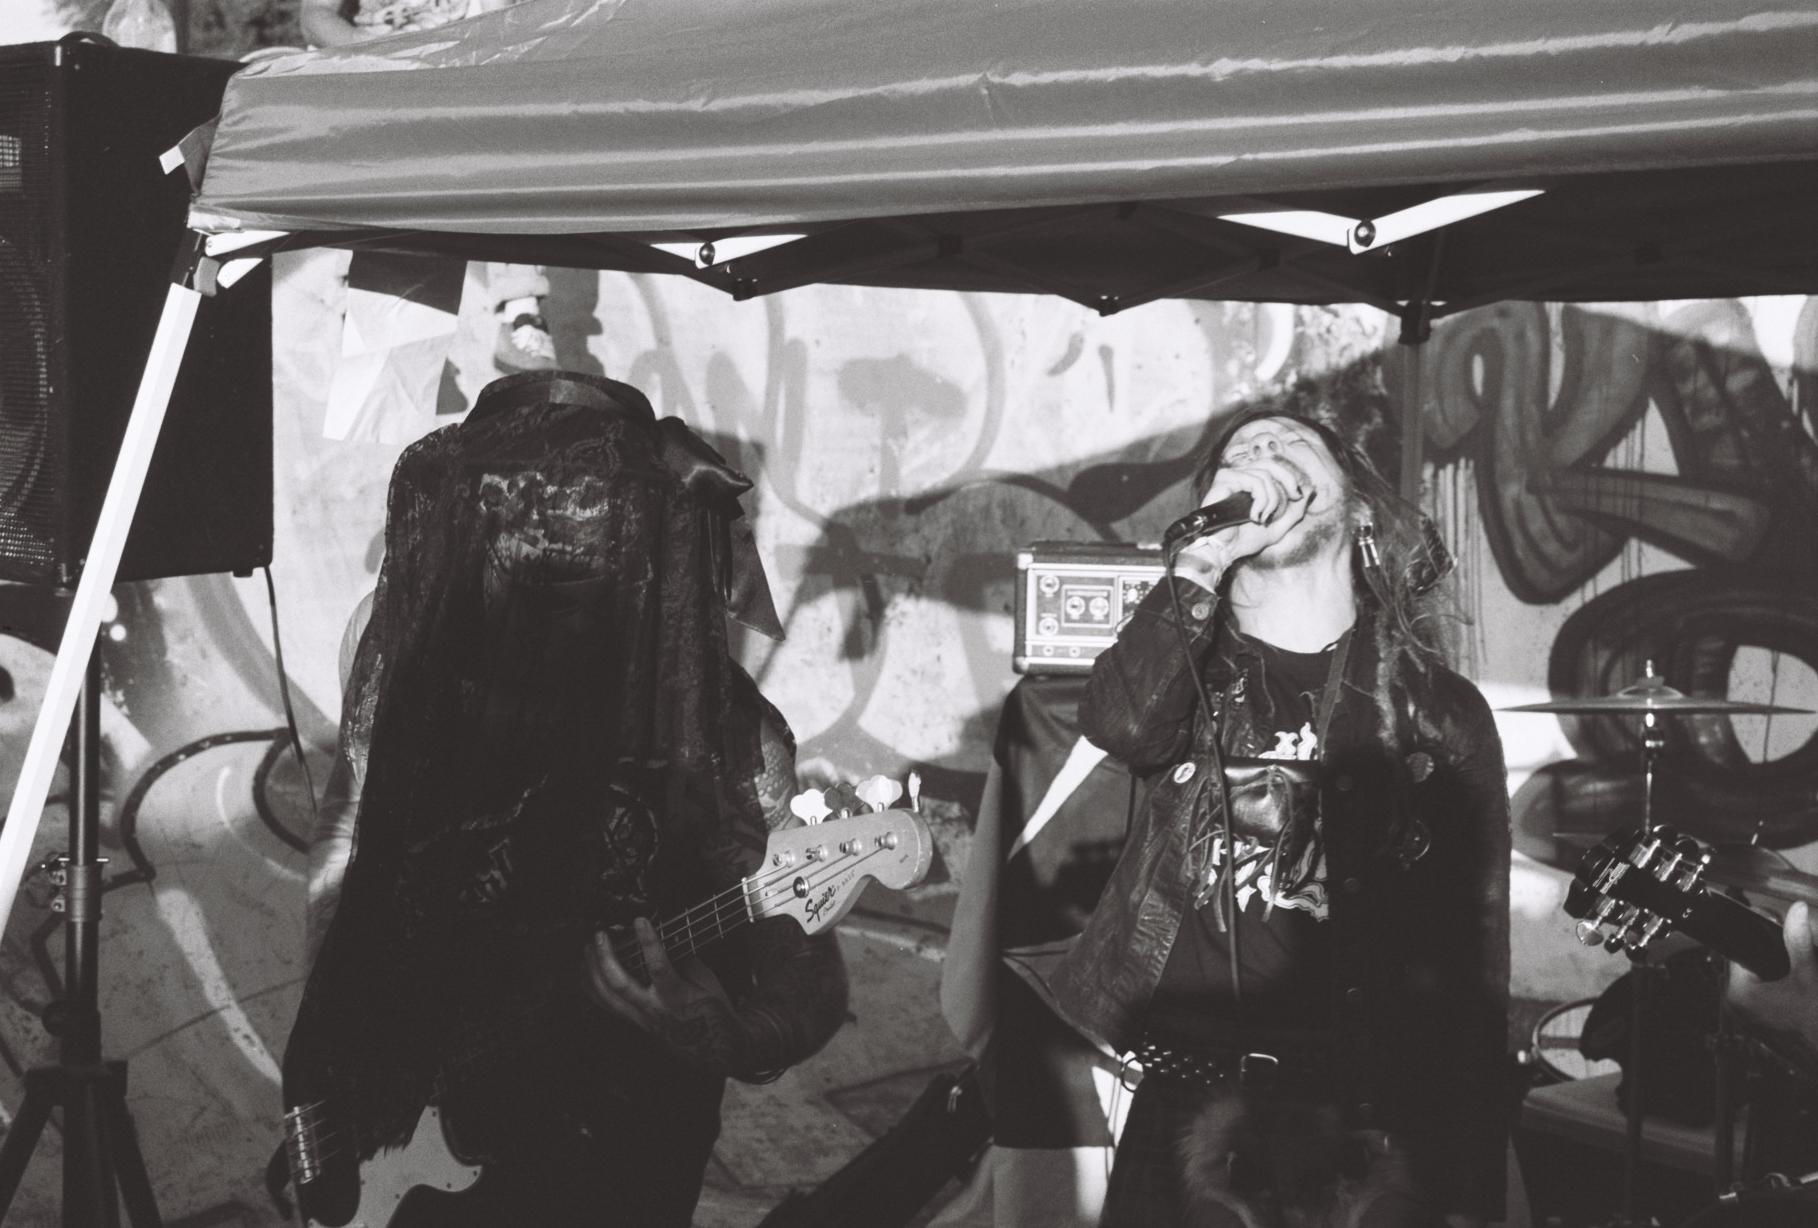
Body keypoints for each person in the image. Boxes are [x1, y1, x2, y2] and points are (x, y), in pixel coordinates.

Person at [289, 371, 847, 1226]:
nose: (545, 553)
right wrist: (324, 1057)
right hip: (408, 1124)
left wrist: (726, 1034)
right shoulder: (400, 635)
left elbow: (808, 970)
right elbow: (351, 830)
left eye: (576, 528)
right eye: (517, 522)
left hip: (611, 1142)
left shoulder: (720, 728)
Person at [1041, 398, 1511, 1227]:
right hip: (1192, 1099)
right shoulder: (1184, 670)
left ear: (1356, 508)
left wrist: (1470, 1176)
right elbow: (1121, 724)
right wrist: (1202, 562)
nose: (1263, 451)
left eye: (1293, 445)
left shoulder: (1438, 710)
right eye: (1241, 453)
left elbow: (1474, 943)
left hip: (1366, 1107)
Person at [297, 0, 559, 375]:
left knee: (513, 112)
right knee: (378, 134)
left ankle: (522, 311)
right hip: (378, 66)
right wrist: (384, 57)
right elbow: (315, 17)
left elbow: (505, 22)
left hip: (461, 62)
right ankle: (359, 306)